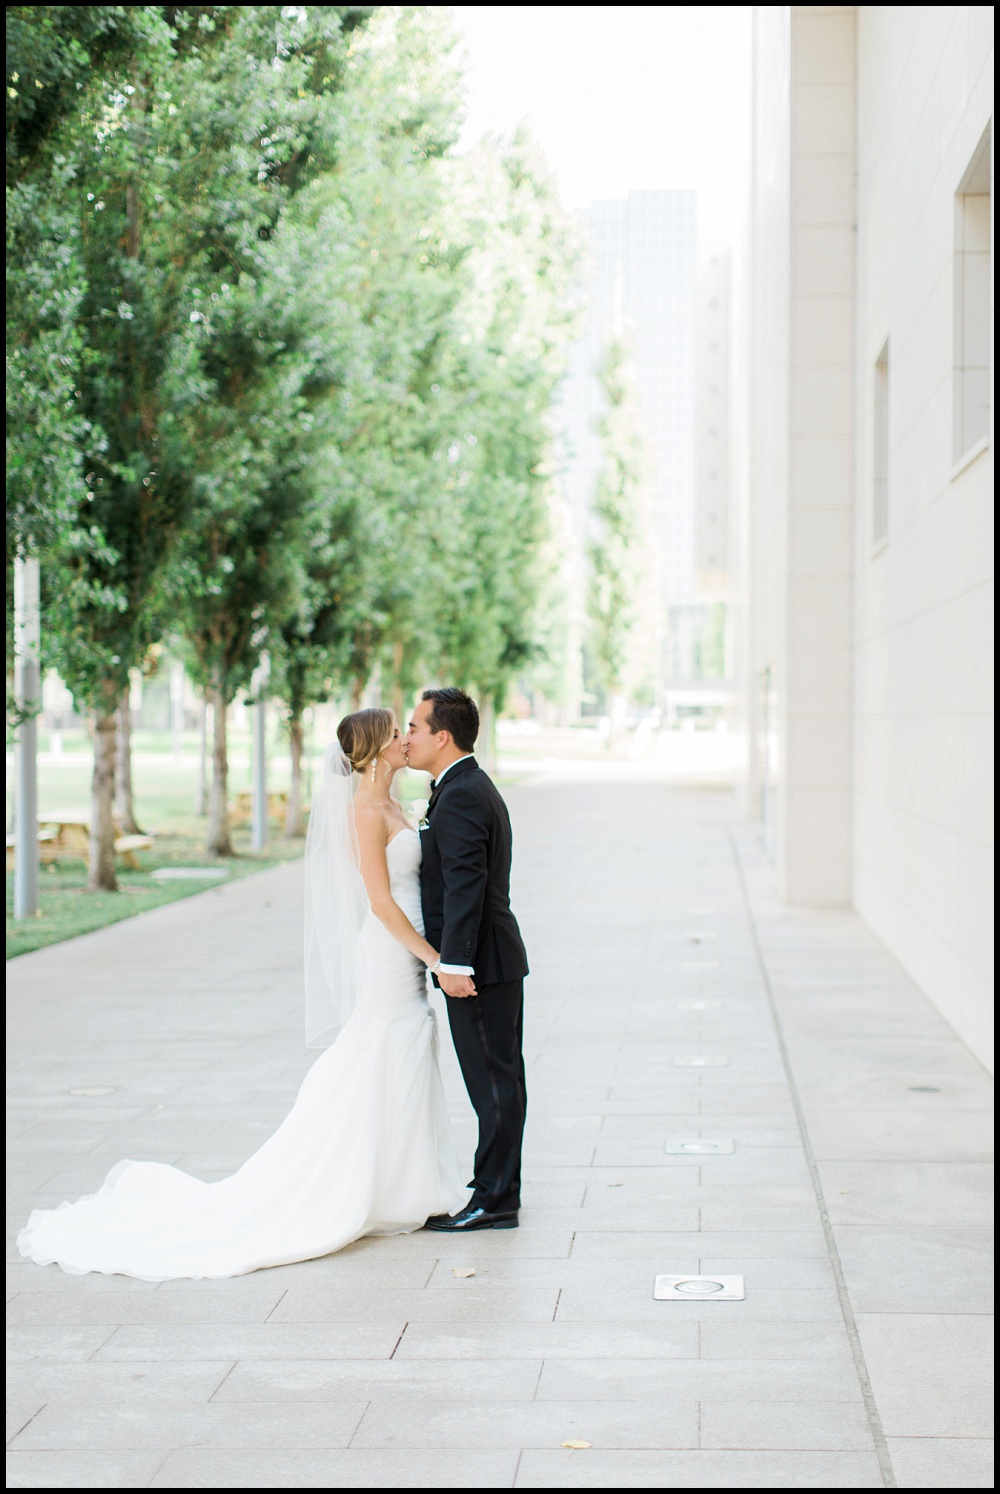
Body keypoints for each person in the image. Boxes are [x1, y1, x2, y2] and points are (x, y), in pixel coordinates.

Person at [18, 708, 466, 1280]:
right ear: (378, 749)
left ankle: (410, 1182)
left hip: (410, 948)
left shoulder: (400, 804)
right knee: (386, 1047)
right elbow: (380, 903)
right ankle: (368, 1185)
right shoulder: (362, 810)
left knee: (403, 1050)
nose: (408, 739)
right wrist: (433, 957)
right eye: (398, 732)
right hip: (387, 951)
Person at [404, 687, 529, 1232]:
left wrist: (454, 964)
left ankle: (496, 1199)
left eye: (413, 727)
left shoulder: (460, 794)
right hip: (491, 957)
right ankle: (493, 1187)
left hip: (480, 964)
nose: (406, 737)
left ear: (441, 735)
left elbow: (465, 884)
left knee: (493, 1082)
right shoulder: (460, 786)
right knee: (496, 1078)